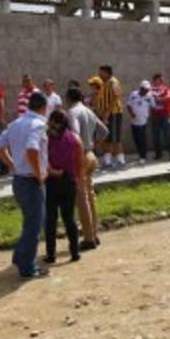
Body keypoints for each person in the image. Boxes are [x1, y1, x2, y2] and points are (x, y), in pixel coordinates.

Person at [0, 91, 50, 279]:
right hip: (31, 180)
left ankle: (20, 257)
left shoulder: (15, 124)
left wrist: (12, 164)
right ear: (44, 107)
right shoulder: (39, 125)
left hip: (19, 179)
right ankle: (27, 266)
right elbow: (32, 149)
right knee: (35, 224)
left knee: (30, 222)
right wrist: (39, 175)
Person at [66, 86, 107, 251]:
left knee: (81, 198)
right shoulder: (88, 111)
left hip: (81, 155)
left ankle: (88, 238)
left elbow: (74, 134)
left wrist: (76, 153)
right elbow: (104, 131)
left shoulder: (72, 112)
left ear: (69, 98)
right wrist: (93, 145)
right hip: (90, 154)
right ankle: (94, 234)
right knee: (90, 195)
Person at [43, 109, 82, 264]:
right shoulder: (75, 139)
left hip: (52, 181)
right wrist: (78, 181)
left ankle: (51, 255)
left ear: (53, 121)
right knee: (69, 218)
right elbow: (80, 163)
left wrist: (52, 171)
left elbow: (43, 159)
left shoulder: (46, 138)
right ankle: (75, 252)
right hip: (69, 181)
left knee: (51, 219)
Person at [97, 65, 126, 169]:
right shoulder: (103, 83)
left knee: (115, 138)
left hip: (114, 113)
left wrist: (107, 112)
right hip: (106, 113)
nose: (99, 74)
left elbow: (117, 95)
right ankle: (107, 161)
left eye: (101, 72)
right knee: (107, 138)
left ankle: (120, 160)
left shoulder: (113, 82)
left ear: (107, 72)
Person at [126, 80, 156, 163]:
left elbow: (153, 106)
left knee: (142, 138)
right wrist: (131, 113)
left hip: (143, 121)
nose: (146, 91)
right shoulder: (133, 94)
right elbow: (128, 105)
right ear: (141, 88)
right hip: (134, 121)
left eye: (148, 90)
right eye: (145, 89)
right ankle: (140, 154)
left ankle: (143, 156)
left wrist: (150, 117)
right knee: (136, 139)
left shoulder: (149, 96)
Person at [148, 74, 170, 160]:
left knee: (168, 134)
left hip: (165, 115)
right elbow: (149, 100)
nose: (162, 81)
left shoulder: (166, 88)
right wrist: (161, 100)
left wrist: (158, 99)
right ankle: (158, 154)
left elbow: (168, 98)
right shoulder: (150, 90)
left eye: (162, 79)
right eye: (160, 79)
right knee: (155, 136)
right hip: (154, 115)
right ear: (155, 80)